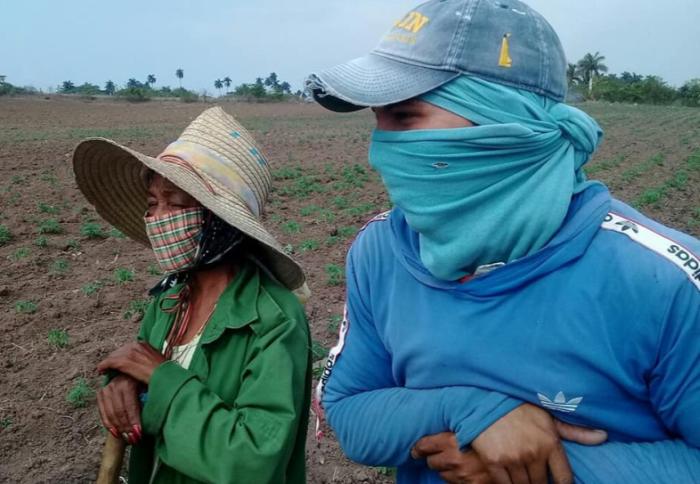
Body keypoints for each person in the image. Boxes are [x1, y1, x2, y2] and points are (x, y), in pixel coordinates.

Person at [306, 0, 700, 482]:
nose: (379, 151)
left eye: (405, 118)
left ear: (508, 120)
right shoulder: (382, 250)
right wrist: (471, 412)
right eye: (378, 120)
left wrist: (538, 465)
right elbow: (349, 412)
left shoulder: (663, 280)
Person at [72, 107, 312, 484]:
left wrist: (161, 379)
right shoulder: (168, 302)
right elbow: (144, 375)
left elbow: (253, 461)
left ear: (222, 221)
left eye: (177, 204)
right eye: (152, 204)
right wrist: (125, 384)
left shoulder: (274, 320)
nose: (157, 217)